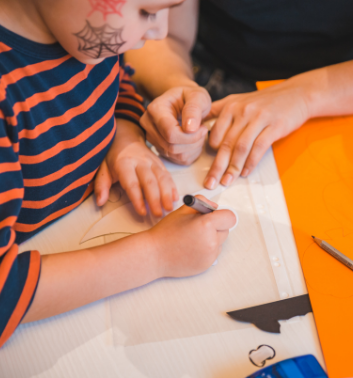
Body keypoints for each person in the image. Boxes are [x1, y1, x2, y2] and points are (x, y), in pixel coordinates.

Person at [0, 0, 236, 347]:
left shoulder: (80, 36)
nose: (160, 31)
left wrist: (123, 136)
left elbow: (113, 80)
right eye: (146, 12)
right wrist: (157, 256)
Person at [125, 0, 353, 188]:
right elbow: (160, 34)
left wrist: (304, 96)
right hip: (199, 70)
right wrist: (176, 87)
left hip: (337, 95)